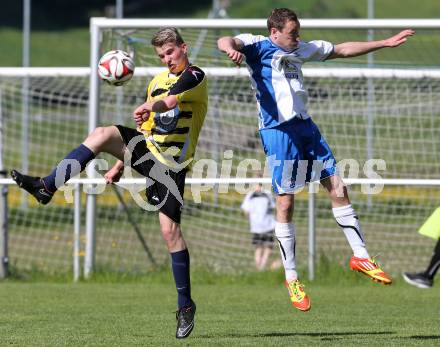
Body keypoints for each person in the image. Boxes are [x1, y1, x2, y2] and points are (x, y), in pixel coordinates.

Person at [11, 27, 207, 339]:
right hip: (149, 154)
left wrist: (148, 107)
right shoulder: (156, 81)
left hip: (171, 168)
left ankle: (186, 306)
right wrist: (120, 163)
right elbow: (147, 132)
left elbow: (169, 104)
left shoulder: (196, 76)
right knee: (102, 134)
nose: (166, 59)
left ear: (183, 48)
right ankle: (47, 186)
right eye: (161, 56)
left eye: (170, 52)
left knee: (170, 233)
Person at [218, 8, 414, 312]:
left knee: (338, 187)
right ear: (275, 32)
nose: (297, 38)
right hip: (277, 132)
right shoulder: (258, 45)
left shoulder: (301, 48)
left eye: (298, 32)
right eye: (292, 33)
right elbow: (225, 39)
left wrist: (385, 43)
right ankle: (292, 278)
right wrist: (230, 48)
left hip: (306, 126)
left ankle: (360, 255)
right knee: (285, 203)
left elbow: (342, 49)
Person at [241, 182, 276, 270]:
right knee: (265, 248)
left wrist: (252, 218)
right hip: (267, 226)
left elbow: (246, 211)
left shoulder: (250, 195)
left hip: (260, 226)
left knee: (261, 248)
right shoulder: (267, 194)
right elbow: (273, 206)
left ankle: (260, 268)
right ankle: (261, 268)